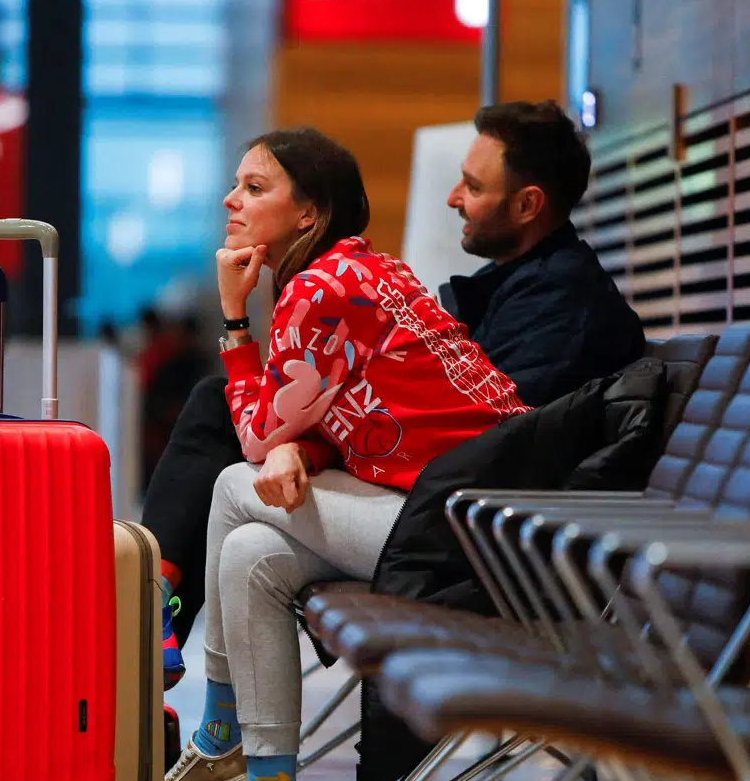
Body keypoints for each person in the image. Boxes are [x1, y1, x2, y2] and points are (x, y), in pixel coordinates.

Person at [152, 100, 644, 686]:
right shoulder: (487, 285)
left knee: (235, 476)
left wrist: (241, 332)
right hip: (433, 501)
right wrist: (304, 448)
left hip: (477, 538)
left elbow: (483, 447)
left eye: (472, 185)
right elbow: (407, 414)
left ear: (528, 203)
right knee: (248, 530)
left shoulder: (563, 310)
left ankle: (153, 621)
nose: (452, 198)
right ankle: (245, 750)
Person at [153, 128, 529, 781]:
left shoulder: (318, 291)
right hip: (474, 515)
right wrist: (303, 445)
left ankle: (220, 736)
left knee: (234, 484)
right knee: (256, 552)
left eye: (256, 187)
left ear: (308, 214)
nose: (232, 199)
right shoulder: (365, 272)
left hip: (465, 534)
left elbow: (255, 436)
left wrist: (235, 318)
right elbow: (355, 415)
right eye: (237, 184)